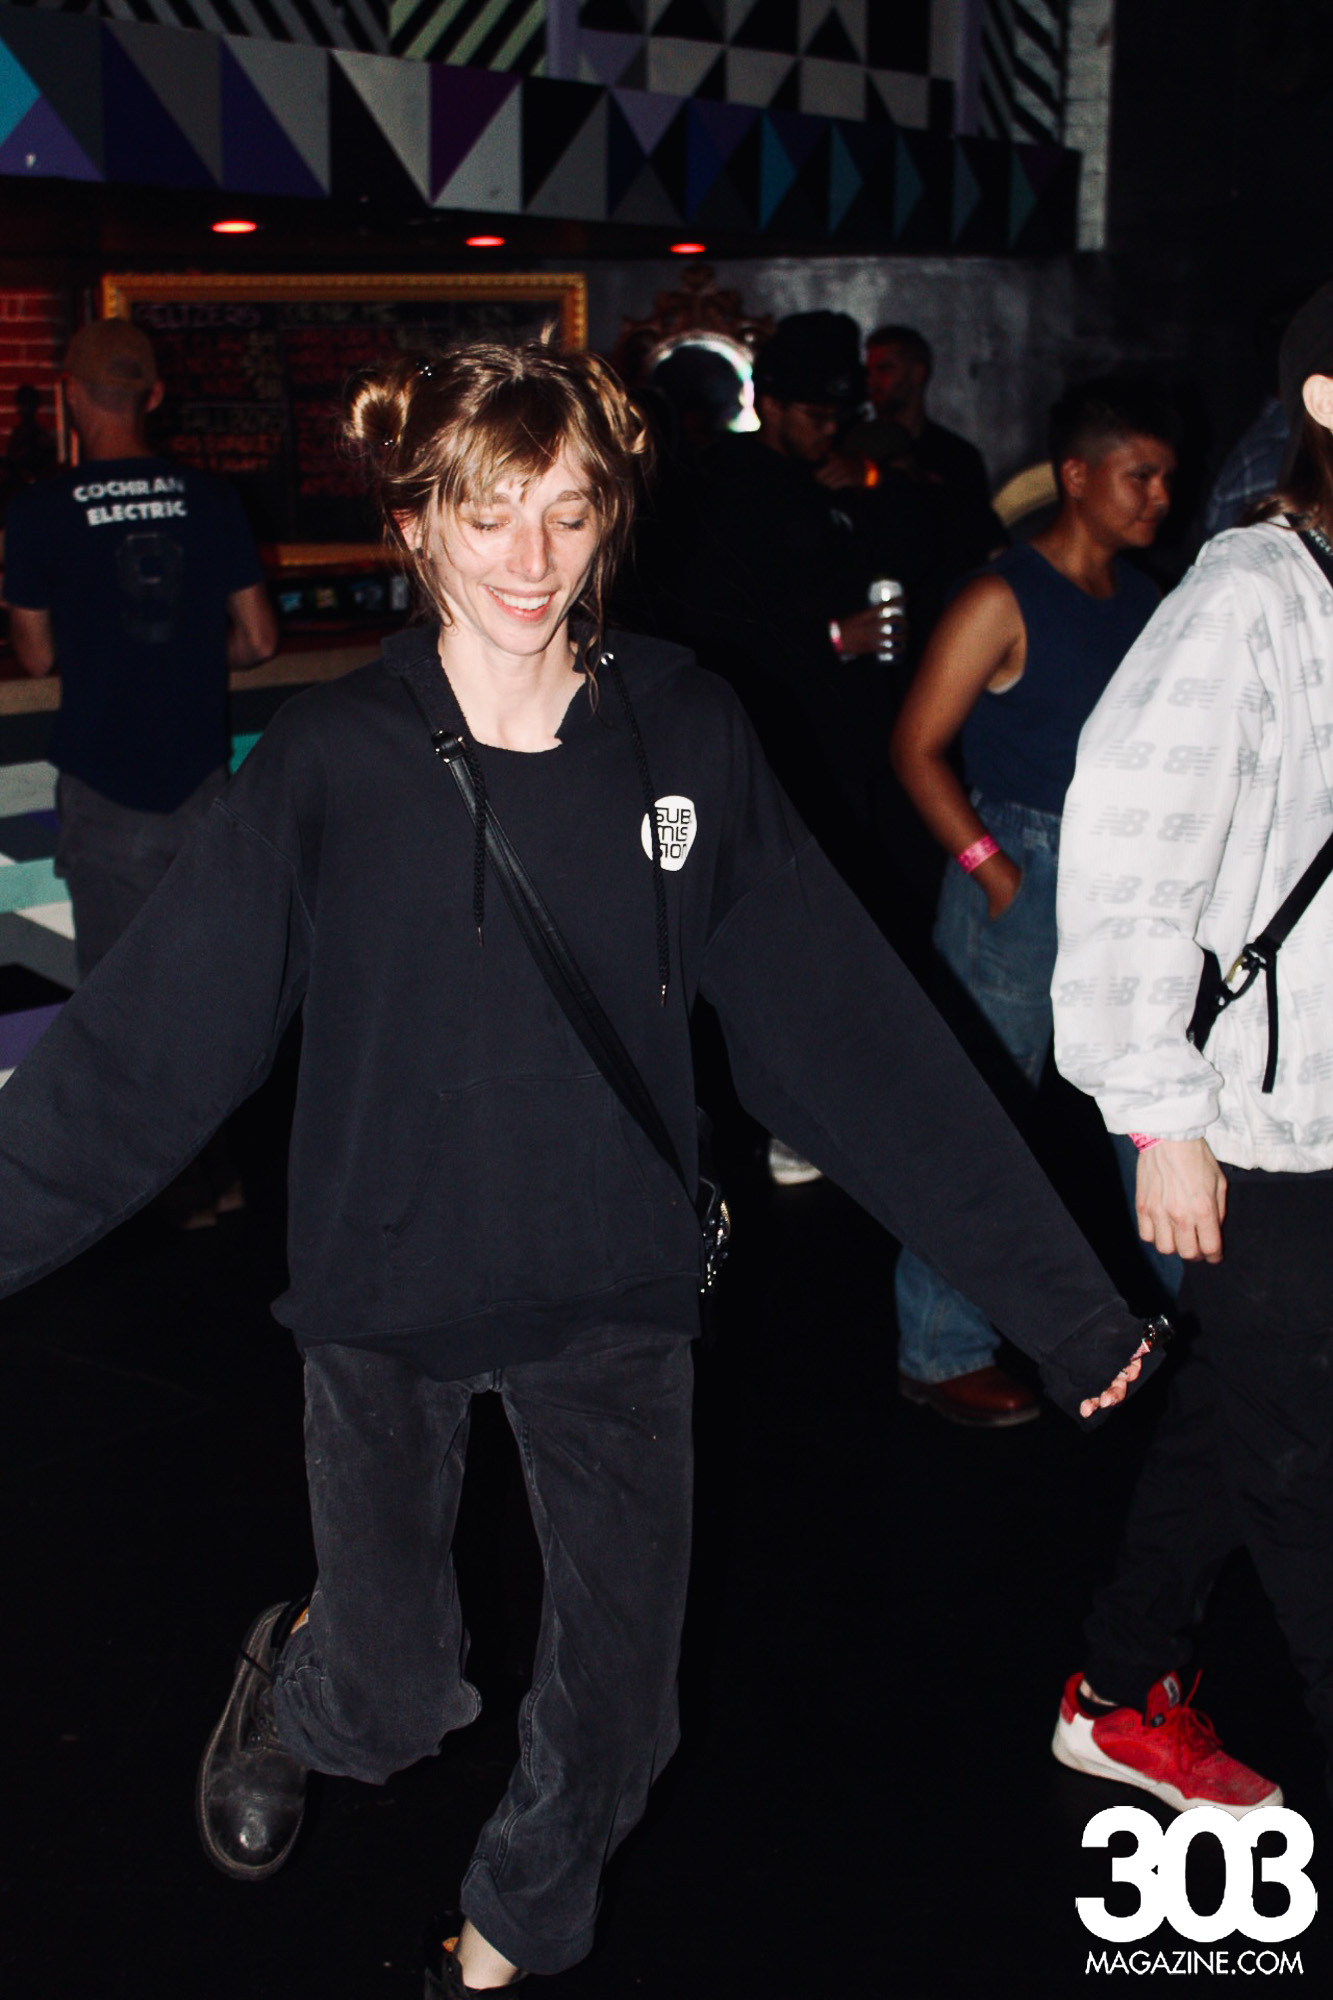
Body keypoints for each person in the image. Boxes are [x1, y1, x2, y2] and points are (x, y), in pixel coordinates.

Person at [0, 337, 1157, 1993]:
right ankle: (307, 1676)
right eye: (487, 515)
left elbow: (850, 1035)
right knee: (392, 1705)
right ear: (415, 523)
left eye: (565, 512)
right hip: (386, 1290)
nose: (529, 561)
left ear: (611, 514)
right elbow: (141, 1059)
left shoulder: (685, 730)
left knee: (620, 1721)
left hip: (615, 1283)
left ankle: (491, 1953)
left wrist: (1060, 1296)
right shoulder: (330, 764)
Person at [1049, 281, 1333, 1815]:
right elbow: (1128, 850)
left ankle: (1113, 1692)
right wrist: (1160, 1113)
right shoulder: (1248, 597)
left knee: (1239, 1417)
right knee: (1303, 1470)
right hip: (1262, 1122)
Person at [889, 379, 1179, 1426]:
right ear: (1077, 475)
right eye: (1139, 476)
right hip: (1023, 871)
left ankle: (1175, 1326)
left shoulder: (1146, 598)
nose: (1159, 496)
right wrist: (993, 870)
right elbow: (915, 747)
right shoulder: (999, 596)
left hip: (1127, 876)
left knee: (1152, 1111)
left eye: (1165, 477)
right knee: (981, 1121)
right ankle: (937, 1347)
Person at [4, 320, 277, 981]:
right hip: (200, 784)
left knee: (119, 1000)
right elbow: (259, 639)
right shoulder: (211, 499)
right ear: (153, 397)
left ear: (71, 392)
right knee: (209, 987)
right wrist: (191, 651)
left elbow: (35, 658)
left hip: (105, 789)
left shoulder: (40, 510)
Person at [845, 323, 1004, 575]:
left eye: (885, 369)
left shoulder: (956, 457)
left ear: (918, 373)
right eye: (869, 372)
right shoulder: (853, 451)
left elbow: (980, 540)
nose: (873, 382)